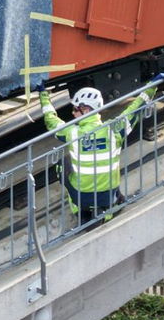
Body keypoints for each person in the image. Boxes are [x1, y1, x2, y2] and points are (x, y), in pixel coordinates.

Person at [39, 84, 153, 225]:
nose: (73, 113)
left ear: (86, 110)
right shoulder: (113, 129)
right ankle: (111, 209)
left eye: (76, 109)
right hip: (108, 196)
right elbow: (136, 108)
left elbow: (51, 121)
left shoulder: (72, 132)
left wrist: (43, 95)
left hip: (81, 197)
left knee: (62, 165)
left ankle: (79, 212)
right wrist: (152, 86)